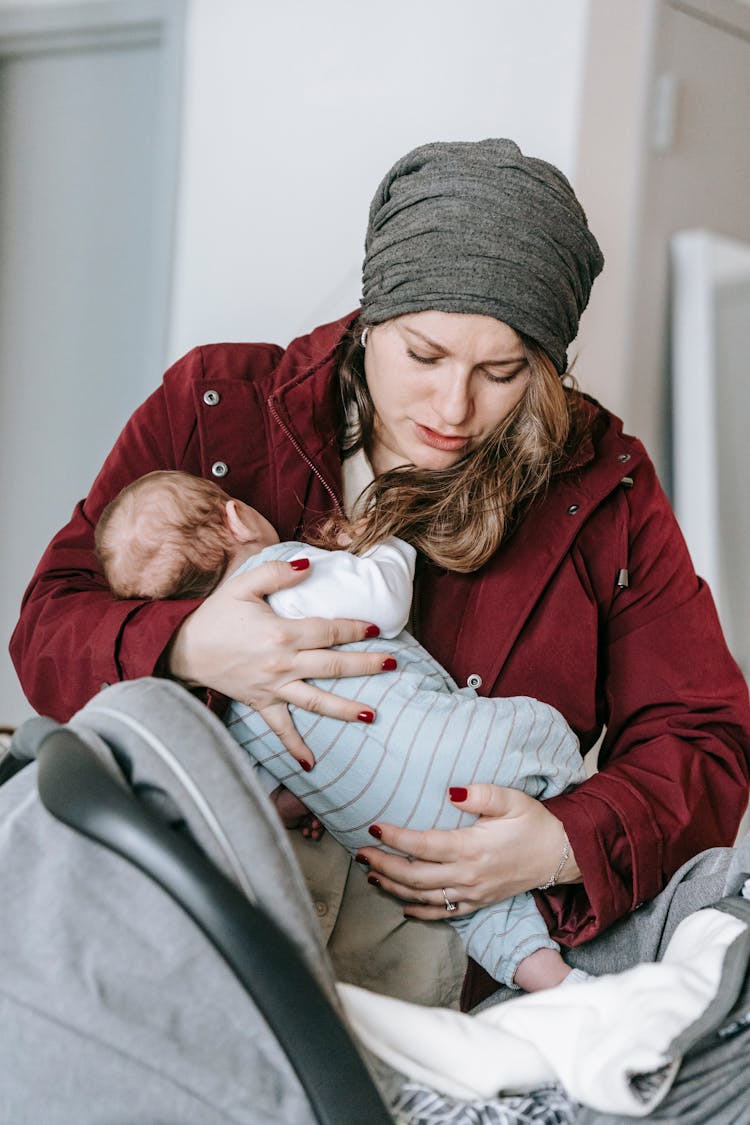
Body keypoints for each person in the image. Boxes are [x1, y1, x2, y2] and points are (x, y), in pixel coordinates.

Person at [11, 139, 750, 1012]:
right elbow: (48, 628)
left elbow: (703, 733)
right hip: (216, 939)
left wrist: (559, 843)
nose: (452, 408)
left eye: (502, 372)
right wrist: (189, 643)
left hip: (459, 976)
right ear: (371, 317)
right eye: (424, 355)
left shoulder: (602, 484)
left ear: (546, 367)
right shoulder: (216, 406)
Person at [94, 468, 588, 991]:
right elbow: (384, 599)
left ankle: (556, 987)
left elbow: (257, 791)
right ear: (237, 518)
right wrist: (381, 542)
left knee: (469, 906)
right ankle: (571, 800)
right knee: (542, 727)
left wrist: (303, 801)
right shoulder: (281, 568)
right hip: (457, 754)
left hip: (390, 840)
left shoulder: (221, 688)